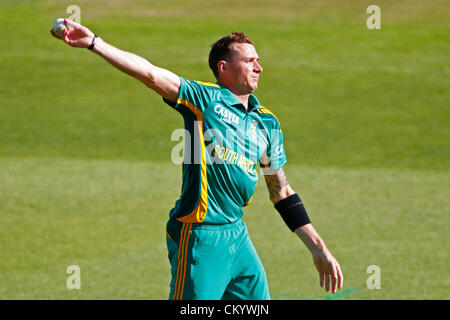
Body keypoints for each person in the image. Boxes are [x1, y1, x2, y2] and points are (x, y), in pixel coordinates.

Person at [51, 19, 343, 300]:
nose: (259, 67)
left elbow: (281, 191)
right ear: (224, 67)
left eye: (258, 60)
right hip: (200, 234)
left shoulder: (267, 123)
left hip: (237, 237)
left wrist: (318, 247)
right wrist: (94, 43)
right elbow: (151, 74)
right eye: (250, 61)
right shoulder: (204, 100)